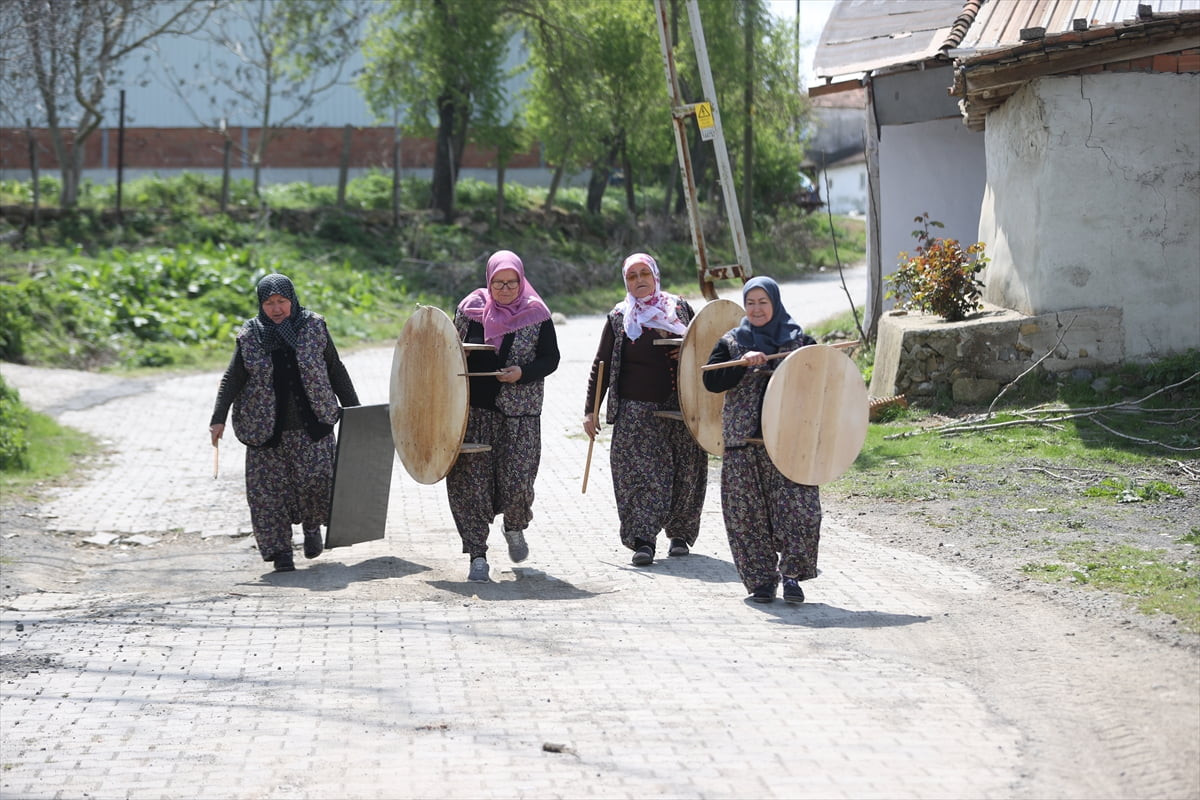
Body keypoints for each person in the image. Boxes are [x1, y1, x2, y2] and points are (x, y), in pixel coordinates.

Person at [209, 273, 360, 573]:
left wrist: (355, 409)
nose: (276, 309)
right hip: (265, 432)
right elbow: (232, 378)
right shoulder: (251, 335)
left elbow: (335, 369)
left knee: (316, 483)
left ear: (292, 300)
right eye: (269, 303)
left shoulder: (313, 326)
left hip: (312, 426)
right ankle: (280, 553)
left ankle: (312, 527)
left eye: (281, 302)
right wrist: (218, 418)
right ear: (260, 304)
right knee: (268, 496)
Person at [583, 253, 707, 567]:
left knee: (685, 470)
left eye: (644, 274)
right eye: (632, 276)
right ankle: (643, 540)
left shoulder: (678, 308)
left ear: (655, 276)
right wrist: (590, 411)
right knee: (637, 476)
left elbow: (704, 347)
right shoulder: (619, 317)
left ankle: (680, 534)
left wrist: (687, 354)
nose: (639, 281)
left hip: (680, 405)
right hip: (635, 412)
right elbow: (601, 364)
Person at [702, 276, 820, 603]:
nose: (756, 309)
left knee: (801, 513)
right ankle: (762, 583)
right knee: (746, 516)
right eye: (750, 303)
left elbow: (821, 380)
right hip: (743, 446)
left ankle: (793, 576)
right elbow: (710, 381)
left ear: (775, 303)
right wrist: (741, 365)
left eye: (762, 302)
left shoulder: (799, 342)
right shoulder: (731, 342)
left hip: (789, 445)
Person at [448, 250, 560, 582]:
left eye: (512, 282)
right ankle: (477, 554)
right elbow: (448, 350)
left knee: (518, 482)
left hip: (519, 414)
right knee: (470, 485)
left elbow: (551, 359)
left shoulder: (537, 314)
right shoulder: (470, 310)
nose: (505, 289)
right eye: (498, 282)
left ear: (521, 280)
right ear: (489, 280)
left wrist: (522, 372)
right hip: (474, 413)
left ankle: (514, 525)